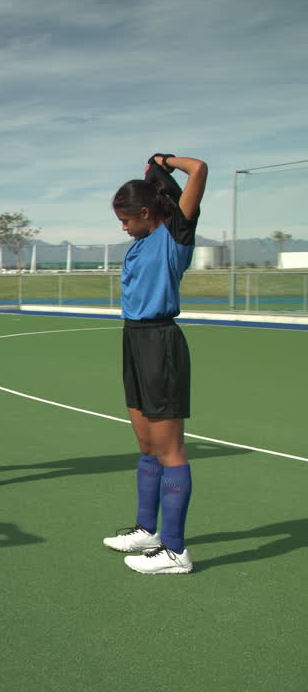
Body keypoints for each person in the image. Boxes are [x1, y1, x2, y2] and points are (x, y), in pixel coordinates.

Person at [101, 154, 207, 574]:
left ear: (145, 213)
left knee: (170, 450)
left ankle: (176, 552)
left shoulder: (174, 234)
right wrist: (153, 171)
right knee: (147, 445)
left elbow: (197, 170)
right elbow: (156, 185)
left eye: (125, 219)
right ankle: (149, 531)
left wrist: (166, 160)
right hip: (133, 339)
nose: (122, 226)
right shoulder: (143, 239)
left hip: (161, 341)